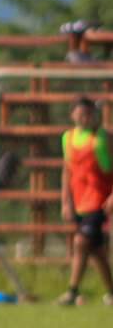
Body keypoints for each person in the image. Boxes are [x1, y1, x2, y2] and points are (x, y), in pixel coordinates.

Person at [58, 96, 113, 306]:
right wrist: (65, 202)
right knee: (96, 251)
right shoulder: (68, 138)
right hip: (79, 200)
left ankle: (72, 291)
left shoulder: (104, 137)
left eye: (88, 114)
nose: (84, 118)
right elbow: (67, 171)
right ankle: (111, 292)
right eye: (80, 114)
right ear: (72, 115)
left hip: (99, 200)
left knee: (81, 242)